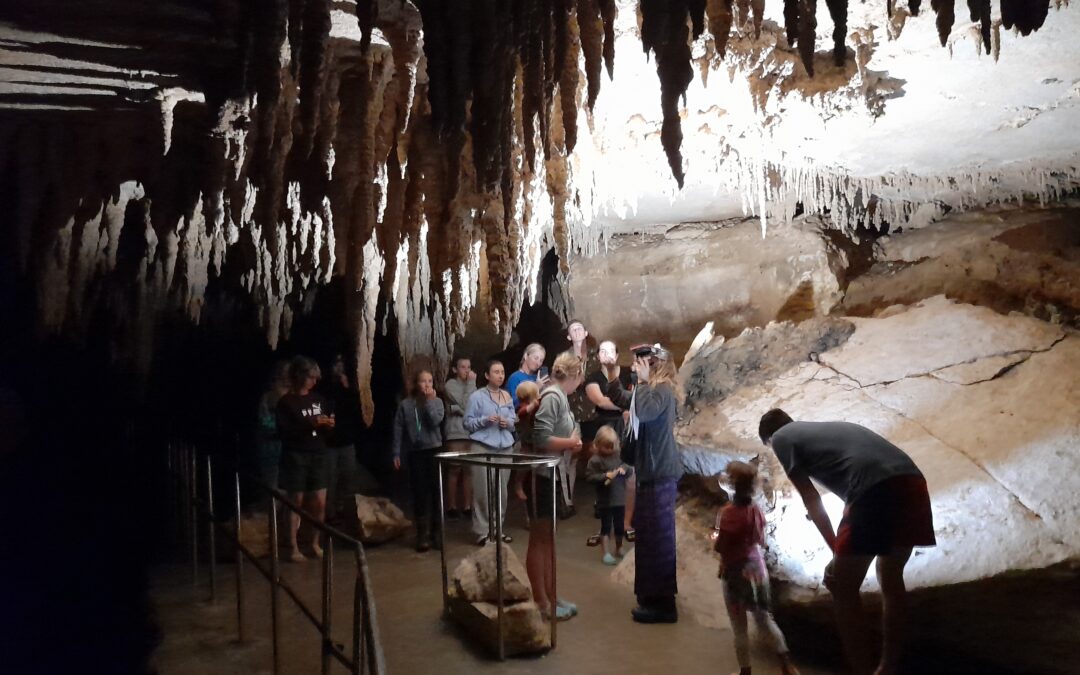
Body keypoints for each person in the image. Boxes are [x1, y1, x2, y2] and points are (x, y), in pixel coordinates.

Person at [758, 409, 936, 675]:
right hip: (911, 482)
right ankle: (888, 667)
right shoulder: (831, 429)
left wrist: (835, 551)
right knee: (890, 575)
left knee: (842, 586)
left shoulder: (782, 437)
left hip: (873, 488)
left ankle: (862, 671)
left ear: (770, 438)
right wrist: (838, 554)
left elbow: (811, 499)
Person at [608, 344, 683, 623]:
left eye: (643, 362)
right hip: (652, 471)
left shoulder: (661, 388)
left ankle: (664, 605)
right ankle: (650, 595)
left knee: (659, 540)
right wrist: (612, 373)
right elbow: (622, 397)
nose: (638, 366)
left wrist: (641, 381)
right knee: (649, 537)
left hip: (660, 472)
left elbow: (647, 412)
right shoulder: (649, 389)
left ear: (656, 365)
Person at [715, 461, 799, 675]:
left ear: (732, 484)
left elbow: (721, 546)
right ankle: (786, 663)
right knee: (764, 618)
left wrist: (715, 539)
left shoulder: (727, 514)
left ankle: (745, 671)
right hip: (757, 569)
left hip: (735, 572)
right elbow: (760, 539)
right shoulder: (756, 510)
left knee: (739, 627)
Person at [531, 351, 585, 621]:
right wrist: (571, 443)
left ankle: (551, 594)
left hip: (552, 472)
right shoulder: (553, 397)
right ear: (575, 375)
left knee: (549, 539)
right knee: (540, 539)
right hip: (542, 474)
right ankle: (540, 600)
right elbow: (541, 437)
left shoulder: (560, 397)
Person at [276, 355, 335, 562]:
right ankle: (292, 546)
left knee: (319, 501)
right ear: (299, 376)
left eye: (316, 378)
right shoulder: (286, 403)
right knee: (296, 501)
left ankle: (314, 543)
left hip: (318, 452)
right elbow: (284, 431)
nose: (314, 381)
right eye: (311, 377)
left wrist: (328, 425)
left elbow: (327, 424)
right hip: (296, 454)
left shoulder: (319, 400)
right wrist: (311, 424)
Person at [585, 340, 636, 540]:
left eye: (610, 351)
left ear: (616, 355)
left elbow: (629, 396)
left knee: (627, 469)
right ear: (598, 356)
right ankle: (606, 516)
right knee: (605, 469)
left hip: (625, 426)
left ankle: (625, 520)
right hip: (605, 426)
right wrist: (626, 405)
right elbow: (601, 401)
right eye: (602, 351)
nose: (606, 355)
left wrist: (626, 405)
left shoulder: (625, 373)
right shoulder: (594, 377)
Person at [464, 360, 517, 546]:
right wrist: (485, 420)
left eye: (502, 372)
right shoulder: (476, 397)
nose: (500, 375)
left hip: (505, 448)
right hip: (483, 447)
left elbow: (513, 419)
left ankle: (498, 529)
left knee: (501, 491)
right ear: (487, 375)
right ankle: (483, 531)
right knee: (482, 491)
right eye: (496, 372)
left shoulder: (506, 396)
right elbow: (467, 423)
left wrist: (507, 423)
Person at [392, 369, 446, 552]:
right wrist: (396, 453)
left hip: (434, 450)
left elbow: (435, 421)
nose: (427, 385)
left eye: (430, 381)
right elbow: (398, 428)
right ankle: (422, 535)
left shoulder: (437, 402)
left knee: (436, 492)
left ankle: (436, 533)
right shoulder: (406, 405)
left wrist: (429, 402)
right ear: (416, 384)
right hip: (416, 453)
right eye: (423, 381)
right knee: (419, 493)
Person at [561, 320, 598, 517]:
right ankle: (567, 500)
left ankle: (599, 500)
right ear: (569, 336)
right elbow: (559, 381)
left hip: (593, 411)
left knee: (593, 453)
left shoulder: (595, 356)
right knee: (572, 456)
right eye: (572, 330)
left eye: (579, 329)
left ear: (585, 333)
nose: (576, 332)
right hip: (572, 411)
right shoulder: (564, 358)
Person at [322, 354, 363, 523]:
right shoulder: (325, 388)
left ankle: (342, 508)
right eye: (336, 365)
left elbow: (356, 410)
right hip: (330, 442)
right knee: (330, 478)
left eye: (341, 365)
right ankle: (329, 511)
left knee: (347, 476)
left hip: (347, 440)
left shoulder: (349, 389)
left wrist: (348, 388)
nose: (339, 369)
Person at [585, 425, 633, 565]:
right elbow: (589, 477)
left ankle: (619, 547)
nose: (610, 450)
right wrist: (605, 475)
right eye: (607, 447)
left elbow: (628, 467)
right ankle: (605, 552)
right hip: (605, 501)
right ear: (598, 444)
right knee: (606, 527)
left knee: (619, 527)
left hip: (620, 499)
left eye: (612, 446)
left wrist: (624, 470)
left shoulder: (619, 456)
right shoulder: (595, 460)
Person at [442, 355, 476, 520]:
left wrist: (458, 409)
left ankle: (468, 505)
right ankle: (451, 506)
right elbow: (467, 404)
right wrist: (470, 385)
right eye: (463, 367)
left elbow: (473, 407)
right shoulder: (450, 385)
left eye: (469, 367)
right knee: (454, 470)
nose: (467, 370)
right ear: (455, 369)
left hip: (470, 434)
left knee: (469, 470)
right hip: (455, 434)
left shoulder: (472, 386)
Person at [255, 360, 290, 494]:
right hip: (272, 453)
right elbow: (264, 423)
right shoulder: (268, 396)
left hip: (292, 453)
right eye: (286, 371)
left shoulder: (296, 393)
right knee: (276, 493)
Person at [506, 343, 549, 407]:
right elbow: (513, 405)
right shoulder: (515, 378)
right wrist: (535, 388)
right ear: (526, 356)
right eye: (536, 358)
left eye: (541, 360)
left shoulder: (537, 379)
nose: (538, 363)